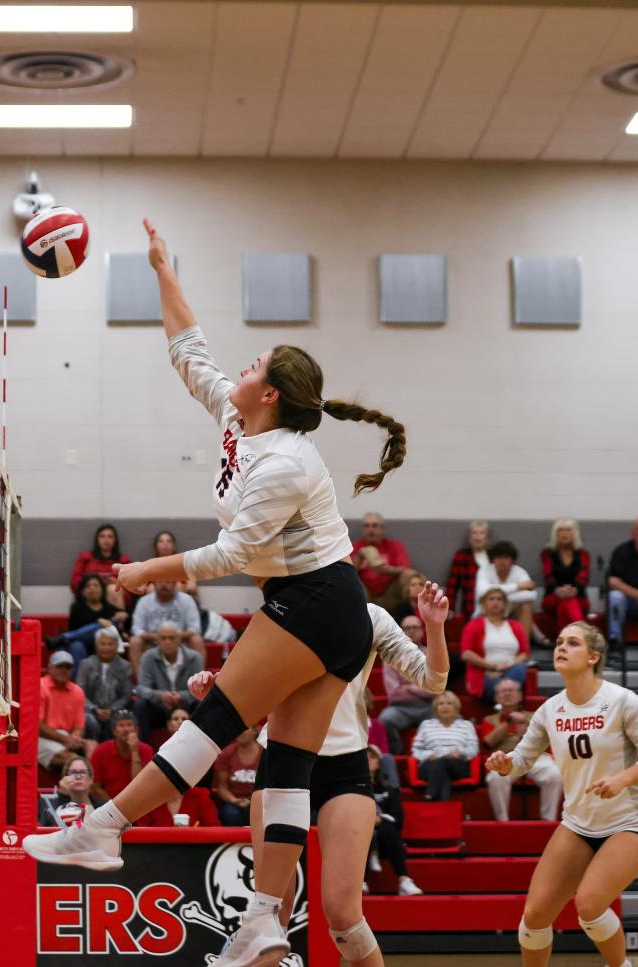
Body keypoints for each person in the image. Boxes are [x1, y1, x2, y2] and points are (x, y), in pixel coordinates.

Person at [25, 216, 407, 967]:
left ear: (269, 392)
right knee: (285, 766)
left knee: (211, 720)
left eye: (256, 361)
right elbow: (187, 350)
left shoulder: (289, 463)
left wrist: (141, 574)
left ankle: (104, 825)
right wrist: (163, 267)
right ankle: (265, 916)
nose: (243, 363)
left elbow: (236, 553)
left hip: (317, 602)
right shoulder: (241, 417)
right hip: (326, 611)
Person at [192, 582, 449, 967]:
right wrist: (212, 687)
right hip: (281, 761)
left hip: (345, 766)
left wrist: (434, 627)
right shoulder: (277, 615)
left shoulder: (371, 617)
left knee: (346, 921)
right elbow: (239, 683)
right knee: (270, 915)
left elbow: (434, 681)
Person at [486, 622, 638, 967]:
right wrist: (504, 764)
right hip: (579, 822)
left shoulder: (622, 701)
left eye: (572, 643)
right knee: (534, 916)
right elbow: (522, 760)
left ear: (593, 657)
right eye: (558, 641)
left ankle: (620, 965)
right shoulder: (550, 709)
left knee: (589, 906)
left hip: (630, 821)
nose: (561, 647)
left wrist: (623, 779)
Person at [481, 679, 561, 823]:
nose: (507, 694)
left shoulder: (535, 716)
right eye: (503, 691)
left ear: (520, 696)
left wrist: (529, 726)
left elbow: (551, 737)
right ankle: (502, 822)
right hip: (504, 757)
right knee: (495, 777)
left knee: (554, 774)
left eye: (511, 690)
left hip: (536, 756)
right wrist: (509, 722)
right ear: (496, 697)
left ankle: (548, 822)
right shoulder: (490, 719)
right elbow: (488, 742)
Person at [89, 711, 171, 827]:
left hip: (138, 807)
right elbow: (94, 787)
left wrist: (134, 751)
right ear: (114, 731)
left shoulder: (145, 750)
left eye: (129, 725)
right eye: (121, 725)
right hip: (108, 807)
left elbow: (141, 784)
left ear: (136, 730)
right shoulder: (101, 751)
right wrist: (114, 807)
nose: (126, 729)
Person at [365, 744, 422, 897]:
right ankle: (360, 882)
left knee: (388, 828)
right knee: (364, 830)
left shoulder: (389, 789)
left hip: (386, 840)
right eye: (364, 758)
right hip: (360, 838)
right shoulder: (352, 788)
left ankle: (404, 880)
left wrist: (380, 819)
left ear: (378, 762)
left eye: (372, 757)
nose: (368, 761)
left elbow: (399, 820)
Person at [133, 621, 204, 741]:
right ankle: (144, 748)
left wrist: (180, 696)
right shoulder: (148, 657)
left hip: (187, 706)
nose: (167, 642)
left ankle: (203, 745)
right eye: (163, 638)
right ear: (157, 640)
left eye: (171, 638)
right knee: (141, 705)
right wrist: (160, 696)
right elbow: (142, 688)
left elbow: (200, 688)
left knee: (203, 703)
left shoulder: (194, 658)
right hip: (160, 708)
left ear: (179, 640)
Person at [378, 614, 436, 753]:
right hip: (400, 708)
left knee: (452, 717)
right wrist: (421, 688)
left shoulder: (432, 654)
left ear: (422, 631)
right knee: (384, 719)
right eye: (407, 628)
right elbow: (394, 693)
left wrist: (409, 688)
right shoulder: (390, 656)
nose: (411, 631)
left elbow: (435, 689)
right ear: (400, 631)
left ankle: (435, 754)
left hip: (428, 707)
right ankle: (397, 754)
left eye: (415, 627)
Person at [46, 573, 127, 671]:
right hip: (82, 642)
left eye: (96, 585)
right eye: (88, 586)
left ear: (102, 589)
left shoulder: (108, 608)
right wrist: (99, 622)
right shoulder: (77, 608)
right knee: (77, 646)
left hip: (103, 643)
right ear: (82, 591)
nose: (92, 588)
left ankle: (64, 637)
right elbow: (75, 626)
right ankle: (79, 685)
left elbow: (128, 620)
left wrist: (124, 616)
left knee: (103, 625)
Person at [461, 587, 531, 700]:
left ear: (504, 604)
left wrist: (504, 668)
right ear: (484, 604)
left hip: (511, 670)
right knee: (507, 686)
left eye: (499, 599)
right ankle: (508, 697)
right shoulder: (473, 625)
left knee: (519, 668)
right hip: (486, 674)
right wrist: (493, 667)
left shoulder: (516, 626)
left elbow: (525, 654)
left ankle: (506, 690)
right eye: (491, 599)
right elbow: (466, 654)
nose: (495, 602)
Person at [411, 692, 479, 801]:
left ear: (456, 708)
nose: (445, 706)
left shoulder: (466, 725)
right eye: (441, 704)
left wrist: (460, 752)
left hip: (457, 764)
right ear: (436, 708)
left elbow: (473, 749)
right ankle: (438, 802)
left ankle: (431, 792)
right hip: (430, 764)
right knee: (441, 771)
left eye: (449, 703)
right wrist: (428, 754)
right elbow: (416, 749)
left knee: (442, 764)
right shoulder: (426, 725)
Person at [129, 579, 206, 676]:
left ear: (175, 584)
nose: (164, 584)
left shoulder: (187, 600)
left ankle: (199, 682)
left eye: (168, 581)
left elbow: (195, 628)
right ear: (154, 583)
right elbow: (136, 628)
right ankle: (142, 682)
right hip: (152, 641)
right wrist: (155, 637)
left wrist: (174, 637)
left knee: (196, 640)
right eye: (160, 581)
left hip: (180, 641)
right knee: (135, 641)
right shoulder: (144, 602)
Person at [37, 651, 93, 773]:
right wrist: (65, 739)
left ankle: (94, 783)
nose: (64, 670)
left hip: (64, 736)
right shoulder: (40, 686)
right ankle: (91, 786)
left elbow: (79, 726)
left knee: (92, 746)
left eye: (67, 667)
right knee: (73, 760)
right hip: (40, 737)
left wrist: (75, 736)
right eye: (59, 666)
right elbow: (37, 725)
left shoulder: (77, 691)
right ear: (50, 668)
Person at [77, 626, 134, 741]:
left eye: (110, 644)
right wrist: (94, 709)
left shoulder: (125, 666)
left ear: (117, 646)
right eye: (102, 644)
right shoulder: (86, 664)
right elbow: (80, 692)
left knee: (119, 722)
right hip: (90, 710)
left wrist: (112, 710)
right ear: (96, 645)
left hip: (116, 710)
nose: (106, 647)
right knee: (90, 721)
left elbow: (126, 695)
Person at [474, 540, 537, 641]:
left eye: (506, 557)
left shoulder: (519, 572)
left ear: (512, 560)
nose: (502, 561)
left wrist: (499, 598)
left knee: (526, 605)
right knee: (492, 603)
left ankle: (523, 648)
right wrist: (517, 587)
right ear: (493, 559)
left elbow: (532, 595)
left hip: (512, 613)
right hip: (485, 613)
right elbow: (482, 592)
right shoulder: (484, 571)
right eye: (499, 557)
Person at [351, 513, 411, 611]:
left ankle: (409, 616)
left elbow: (405, 569)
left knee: (409, 575)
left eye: (374, 525)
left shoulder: (394, 545)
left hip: (389, 593)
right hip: (364, 594)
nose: (371, 529)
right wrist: (359, 557)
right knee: (351, 581)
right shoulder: (354, 547)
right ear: (362, 530)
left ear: (382, 529)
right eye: (367, 526)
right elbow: (345, 573)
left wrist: (387, 570)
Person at [607, 516, 638, 653]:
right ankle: (615, 644)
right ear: (633, 533)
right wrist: (637, 594)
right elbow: (613, 581)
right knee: (615, 596)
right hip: (629, 600)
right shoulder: (622, 551)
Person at [540, 519, 590, 633]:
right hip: (552, 597)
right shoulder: (547, 554)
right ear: (555, 534)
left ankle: (562, 642)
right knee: (567, 601)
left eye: (568, 530)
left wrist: (574, 590)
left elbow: (584, 576)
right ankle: (584, 635)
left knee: (565, 605)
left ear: (574, 534)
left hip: (579, 597)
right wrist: (558, 590)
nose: (564, 533)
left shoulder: (583, 554)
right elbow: (548, 576)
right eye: (560, 530)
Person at [69, 523, 133, 611]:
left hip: (116, 594)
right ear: (97, 539)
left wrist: (116, 582)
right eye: (102, 536)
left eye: (110, 537)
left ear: (115, 540)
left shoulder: (123, 560)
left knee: (113, 589)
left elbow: (133, 584)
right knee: (96, 589)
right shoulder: (85, 557)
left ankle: (117, 623)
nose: (106, 540)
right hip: (91, 593)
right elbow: (74, 582)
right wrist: (93, 582)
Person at [38, 757, 105, 827]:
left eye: (83, 772)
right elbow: (49, 824)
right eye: (73, 772)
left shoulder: (102, 807)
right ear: (65, 778)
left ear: (91, 779)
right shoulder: (48, 805)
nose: (78, 776)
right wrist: (62, 795)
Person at [215, 727, 262, 826]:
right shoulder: (226, 754)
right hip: (233, 801)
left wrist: (255, 802)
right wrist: (234, 800)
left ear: (255, 731)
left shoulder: (265, 753)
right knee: (231, 814)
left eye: (245, 728)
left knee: (257, 813)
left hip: (259, 802)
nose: (240, 732)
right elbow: (222, 787)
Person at [445, 520, 490, 620]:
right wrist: (449, 607)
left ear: (487, 538)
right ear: (470, 538)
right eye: (474, 532)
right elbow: (452, 584)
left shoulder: (494, 556)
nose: (478, 536)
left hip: (492, 603)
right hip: (470, 606)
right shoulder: (462, 555)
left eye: (482, 533)